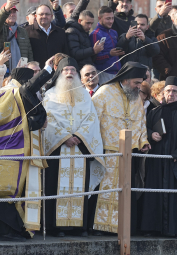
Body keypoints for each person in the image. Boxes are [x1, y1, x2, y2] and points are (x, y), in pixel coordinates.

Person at [0, 58, 53, 241]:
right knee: (4, 192)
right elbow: (7, 120)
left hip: (13, 152)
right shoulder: (12, 93)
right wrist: (47, 69)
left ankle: (11, 230)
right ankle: (4, 231)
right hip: (6, 153)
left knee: (10, 194)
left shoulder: (11, 95)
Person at [43, 57, 105, 237]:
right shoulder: (50, 95)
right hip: (58, 149)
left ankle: (80, 227)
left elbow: (91, 119)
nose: (69, 73)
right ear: (60, 73)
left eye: (72, 70)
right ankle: (56, 228)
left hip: (80, 147)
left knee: (80, 187)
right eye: (66, 70)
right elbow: (48, 120)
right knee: (55, 187)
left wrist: (78, 136)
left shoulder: (84, 95)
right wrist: (64, 137)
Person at [92, 62, 149, 235]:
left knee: (124, 190)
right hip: (107, 151)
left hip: (127, 153)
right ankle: (100, 227)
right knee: (104, 189)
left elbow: (141, 121)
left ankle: (122, 226)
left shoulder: (136, 97)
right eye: (136, 83)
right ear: (125, 79)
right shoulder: (104, 92)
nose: (139, 87)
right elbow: (93, 119)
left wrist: (143, 141)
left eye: (140, 83)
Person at [141, 76, 177, 239]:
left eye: (175, 91)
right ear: (163, 93)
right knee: (155, 193)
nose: (171, 94)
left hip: (176, 163)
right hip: (157, 162)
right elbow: (143, 129)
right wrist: (150, 134)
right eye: (168, 91)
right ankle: (152, 227)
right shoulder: (154, 112)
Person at [0, 0, 34, 72]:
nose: (12, 14)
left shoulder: (22, 31)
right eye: (9, 12)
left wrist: (31, 69)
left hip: (22, 70)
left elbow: (29, 52)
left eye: (14, 12)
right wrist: (6, 9)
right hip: (4, 70)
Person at [65, 0, 102, 69]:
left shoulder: (84, 32)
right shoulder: (72, 31)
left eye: (91, 23)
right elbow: (75, 53)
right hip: (78, 70)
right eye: (87, 23)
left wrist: (95, 51)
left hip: (87, 68)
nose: (89, 26)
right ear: (79, 21)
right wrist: (93, 50)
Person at [25, 4, 69, 69]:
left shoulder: (60, 32)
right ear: (36, 16)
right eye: (41, 14)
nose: (44, 16)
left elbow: (66, 54)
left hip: (56, 73)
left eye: (47, 14)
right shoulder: (27, 31)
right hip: (36, 73)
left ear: (51, 16)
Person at [90, 6, 124, 85]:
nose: (111, 21)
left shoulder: (114, 32)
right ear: (100, 18)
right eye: (108, 19)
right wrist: (110, 54)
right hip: (104, 73)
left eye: (112, 18)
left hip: (118, 73)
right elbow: (95, 58)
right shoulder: (95, 34)